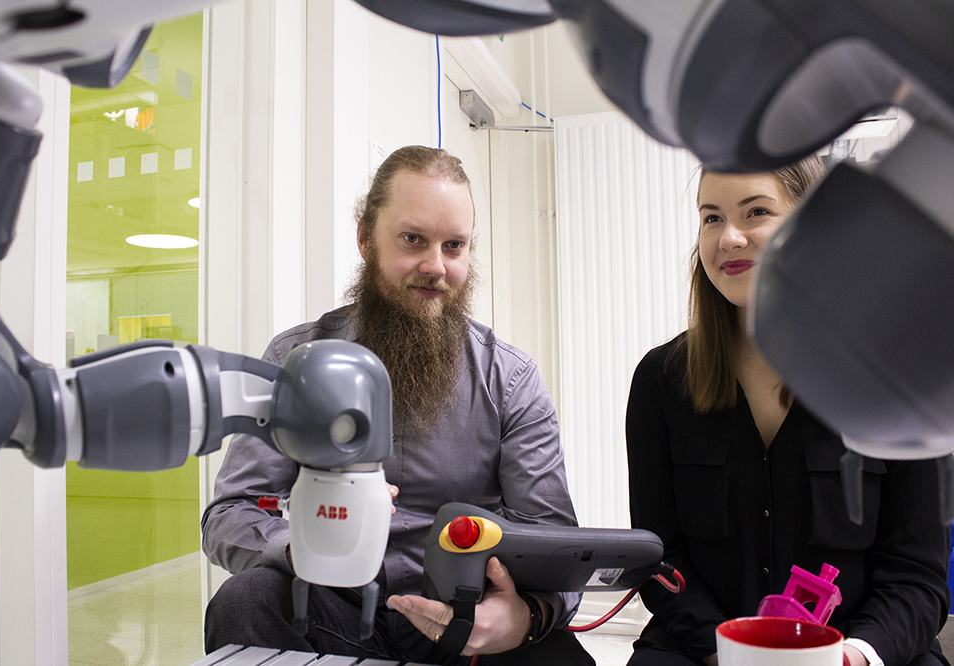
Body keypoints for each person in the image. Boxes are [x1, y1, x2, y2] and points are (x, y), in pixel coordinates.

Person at [201, 145, 594, 665]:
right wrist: (302, 546)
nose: (435, 266)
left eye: (454, 246)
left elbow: (557, 545)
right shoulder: (296, 361)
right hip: (333, 610)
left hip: (466, 621)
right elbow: (229, 512)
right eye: (413, 240)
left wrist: (524, 615)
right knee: (245, 603)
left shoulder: (510, 379)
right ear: (366, 238)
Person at [625, 156, 951, 666]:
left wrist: (853, 656)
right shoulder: (660, 381)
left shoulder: (898, 377)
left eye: (755, 212)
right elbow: (662, 562)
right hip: (704, 650)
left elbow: (916, 576)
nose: (728, 238)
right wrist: (729, 654)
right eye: (711, 217)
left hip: (856, 651)